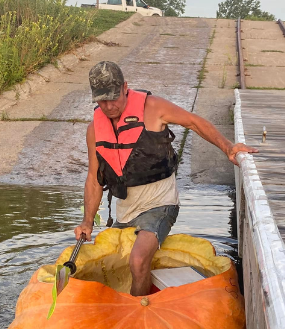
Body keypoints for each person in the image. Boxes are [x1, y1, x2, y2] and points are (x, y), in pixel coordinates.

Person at [74, 61, 257, 297]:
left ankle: (138, 318)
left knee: (138, 260)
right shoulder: (94, 129)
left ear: (125, 88)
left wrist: (228, 147)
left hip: (160, 205)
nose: (109, 106)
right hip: (125, 211)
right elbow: (93, 179)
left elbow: (194, 122)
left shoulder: (153, 107)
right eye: (102, 100)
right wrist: (87, 222)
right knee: (111, 262)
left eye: (114, 98)